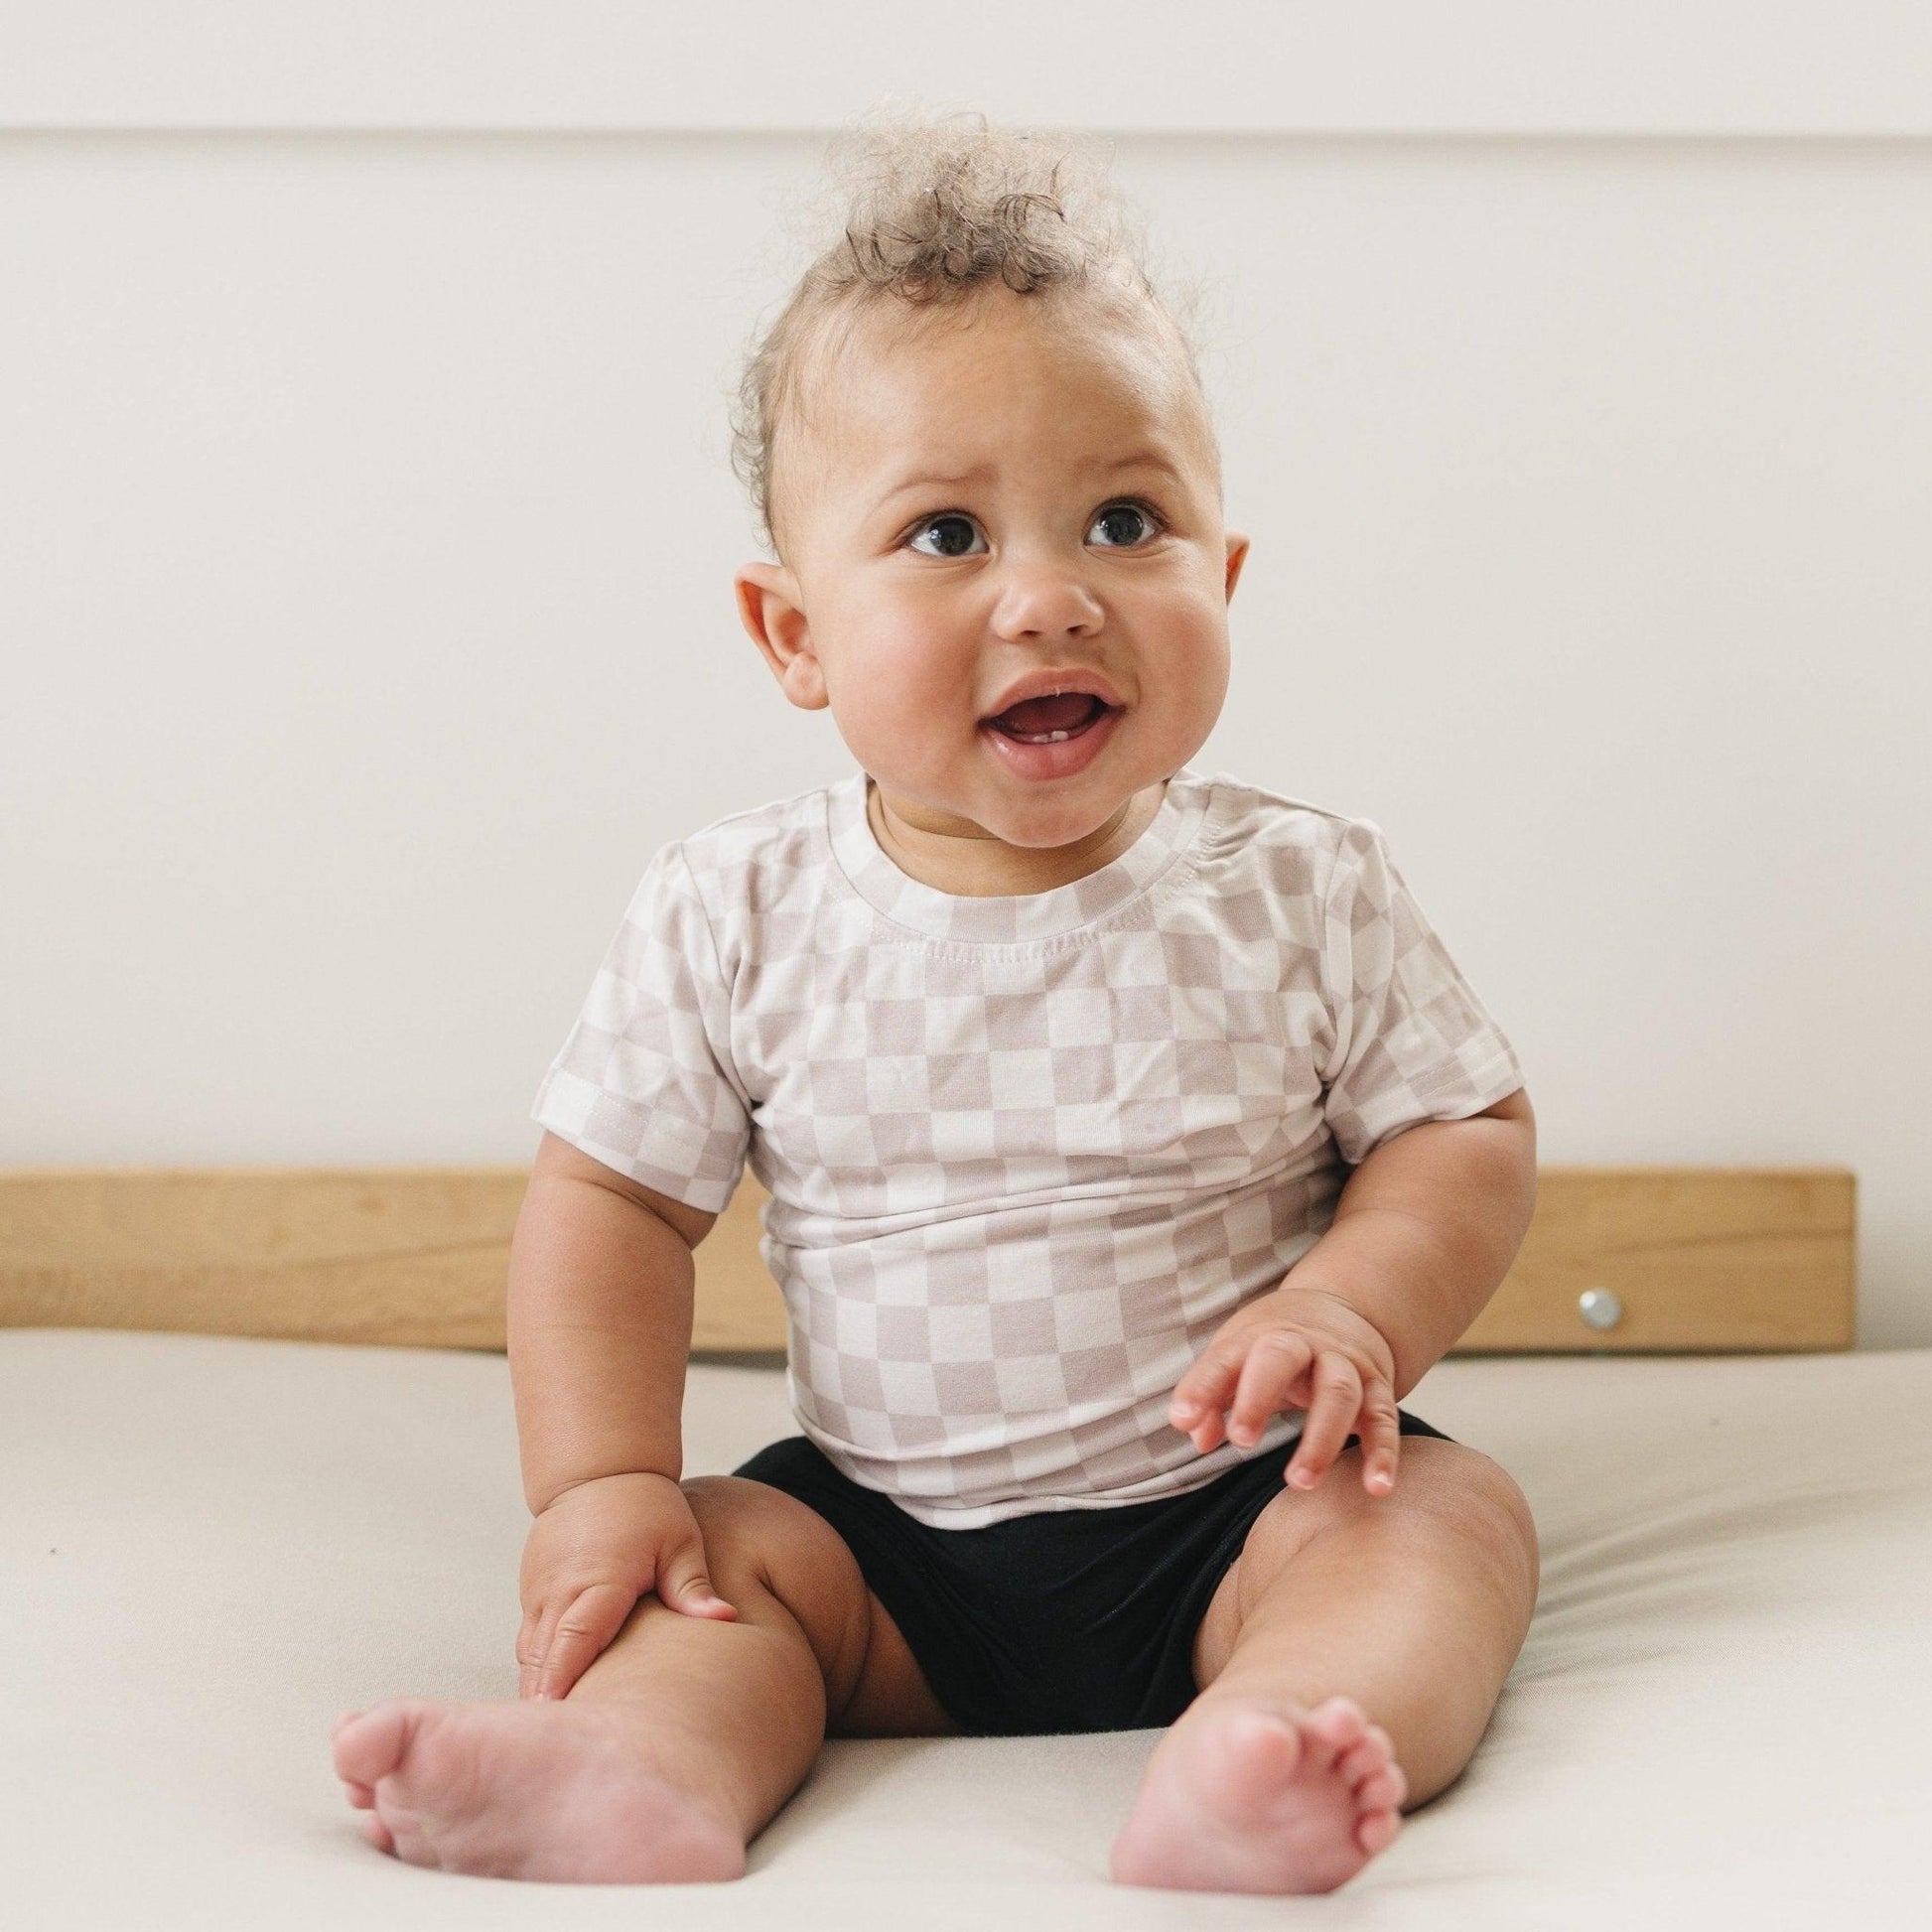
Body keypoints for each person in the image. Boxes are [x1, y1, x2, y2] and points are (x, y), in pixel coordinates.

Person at [331, 108, 1541, 1895]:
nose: (1049, 596)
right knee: (715, 1563)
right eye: (946, 533)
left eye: (1124, 521)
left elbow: (1462, 1131)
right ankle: (639, 1766)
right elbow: (610, 1203)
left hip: (1243, 1515)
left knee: (1446, 1518)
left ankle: (1274, 1737)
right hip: (886, 1555)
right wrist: (600, 1485)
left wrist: (1351, 1303)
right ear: (793, 634)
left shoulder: (1299, 887)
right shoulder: (734, 911)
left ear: (1220, 576)